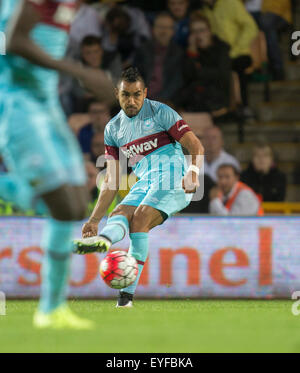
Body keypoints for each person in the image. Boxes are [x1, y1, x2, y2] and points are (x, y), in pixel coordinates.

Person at [0, 0, 114, 329]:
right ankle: (49, 310)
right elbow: (14, 41)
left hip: (44, 101)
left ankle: (52, 311)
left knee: (77, 202)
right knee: (63, 204)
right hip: (17, 101)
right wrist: (79, 72)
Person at [73, 67, 205, 307]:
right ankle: (103, 239)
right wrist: (93, 219)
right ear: (117, 94)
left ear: (145, 93)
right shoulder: (113, 129)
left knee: (140, 217)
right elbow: (111, 180)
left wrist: (193, 174)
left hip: (174, 177)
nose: (131, 101)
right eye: (126, 95)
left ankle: (126, 297)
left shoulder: (161, 112)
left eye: (136, 94)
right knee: (118, 213)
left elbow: (196, 146)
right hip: (145, 181)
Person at [201, 0, 258, 117]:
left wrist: (236, 49)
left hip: (238, 53)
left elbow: (251, 26)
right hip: (218, 56)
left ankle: (242, 106)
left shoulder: (231, 3)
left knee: (235, 68)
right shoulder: (204, 11)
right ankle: (218, 108)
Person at [177, 12, 231, 115]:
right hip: (194, 101)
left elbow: (222, 75)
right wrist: (192, 53)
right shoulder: (191, 52)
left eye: (202, 30)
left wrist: (199, 71)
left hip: (216, 100)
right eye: (194, 32)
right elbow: (187, 77)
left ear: (209, 31)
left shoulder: (221, 49)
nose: (198, 35)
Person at [134, 12, 184, 103]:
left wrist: (161, 99)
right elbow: (136, 75)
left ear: (173, 31)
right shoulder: (143, 49)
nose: (164, 31)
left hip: (166, 100)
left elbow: (176, 82)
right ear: (153, 29)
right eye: (160, 27)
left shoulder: (178, 52)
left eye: (168, 28)